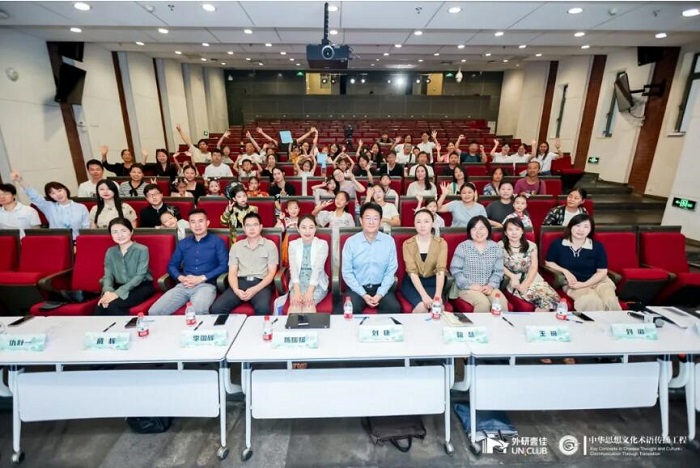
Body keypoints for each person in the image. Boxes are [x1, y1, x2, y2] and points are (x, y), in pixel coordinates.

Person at [149, 209, 228, 315]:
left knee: (198, 311)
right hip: (184, 284)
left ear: (207, 223)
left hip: (206, 285)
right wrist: (181, 278)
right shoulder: (183, 243)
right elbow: (172, 265)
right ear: (189, 225)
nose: (197, 225)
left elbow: (224, 266)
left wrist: (201, 278)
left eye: (200, 221)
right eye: (193, 222)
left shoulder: (217, 242)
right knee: (154, 312)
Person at [545, 213, 621, 312]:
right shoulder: (558, 244)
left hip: (599, 282)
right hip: (574, 283)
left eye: (586, 227)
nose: (581, 230)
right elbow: (549, 262)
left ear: (590, 230)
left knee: (610, 300)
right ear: (570, 226)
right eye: (578, 226)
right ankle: (592, 323)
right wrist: (565, 271)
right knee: (590, 301)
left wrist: (584, 284)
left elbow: (602, 272)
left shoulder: (597, 246)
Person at [210, 212, 278, 316]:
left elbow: (271, 273)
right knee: (216, 309)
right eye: (248, 225)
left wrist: (254, 289)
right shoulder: (236, 247)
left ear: (261, 227)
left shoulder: (270, 245)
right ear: (244, 228)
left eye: (255, 225)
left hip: (261, 284)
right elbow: (232, 273)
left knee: (263, 309)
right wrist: (236, 290)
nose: (252, 229)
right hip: (240, 283)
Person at [338, 202, 400, 314]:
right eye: (367, 218)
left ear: (380, 221)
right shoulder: (351, 242)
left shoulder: (389, 241)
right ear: (361, 220)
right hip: (357, 288)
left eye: (375, 218)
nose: (371, 222)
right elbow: (347, 272)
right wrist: (363, 294)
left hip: (381, 287)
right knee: (350, 309)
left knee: (394, 308)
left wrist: (380, 294)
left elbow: (391, 271)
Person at [449, 215, 508, 313]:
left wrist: (491, 286)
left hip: (488, 287)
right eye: (474, 229)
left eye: (482, 228)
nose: (478, 232)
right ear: (469, 231)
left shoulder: (496, 248)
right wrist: (470, 285)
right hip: (466, 288)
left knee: (500, 302)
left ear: (488, 229)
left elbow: (498, 272)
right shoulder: (463, 247)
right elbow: (455, 270)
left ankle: (500, 324)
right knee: (483, 303)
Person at [96, 218, 154, 316]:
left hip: (140, 286)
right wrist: (107, 291)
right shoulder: (110, 251)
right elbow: (108, 276)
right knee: (101, 305)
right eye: (115, 232)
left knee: (113, 305)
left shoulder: (142, 249)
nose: (119, 235)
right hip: (118, 286)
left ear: (131, 231)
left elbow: (140, 276)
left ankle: (127, 325)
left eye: (123, 231)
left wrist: (117, 294)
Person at [500, 218, 560, 312]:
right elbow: (499, 265)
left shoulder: (531, 245)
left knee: (553, 300)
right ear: (506, 233)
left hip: (532, 277)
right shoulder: (500, 246)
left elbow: (533, 266)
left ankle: (541, 317)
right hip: (513, 279)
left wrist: (527, 282)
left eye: (517, 229)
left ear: (522, 231)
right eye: (510, 230)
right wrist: (512, 276)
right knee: (541, 302)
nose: (514, 233)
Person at [10, 170, 89, 240]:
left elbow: (86, 228)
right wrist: (20, 180)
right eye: (53, 193)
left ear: (65, 189)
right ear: (50, 196)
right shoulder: (49, 207)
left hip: (77, 242)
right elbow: (34, 196)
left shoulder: (81, 207)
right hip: (56, 241)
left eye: (59, 190)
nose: (58, 194)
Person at [402, 209, 447, 313]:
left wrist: (438, 295)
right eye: (418, 222)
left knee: (438, 308)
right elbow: (412, 272)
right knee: (422, 307)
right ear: (414, 224)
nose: (422, 225)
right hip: (413, 283)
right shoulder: (407, 244)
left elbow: (440, 270)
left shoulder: (441, 243)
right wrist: (424, 296)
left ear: (432, 223)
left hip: (434, 282)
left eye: (426, 221)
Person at [287, 214, 330, 313]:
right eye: (303, 227)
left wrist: (310, 292)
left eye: (311, 227)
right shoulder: (293, 245)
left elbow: (317, 269)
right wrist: (297, 291)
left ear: (315, 228)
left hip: (316, 282)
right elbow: (293, 269)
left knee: (308, 306)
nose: (307, 231)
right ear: (298, 229)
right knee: (295, 307)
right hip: (297, 282)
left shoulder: (322, 244)